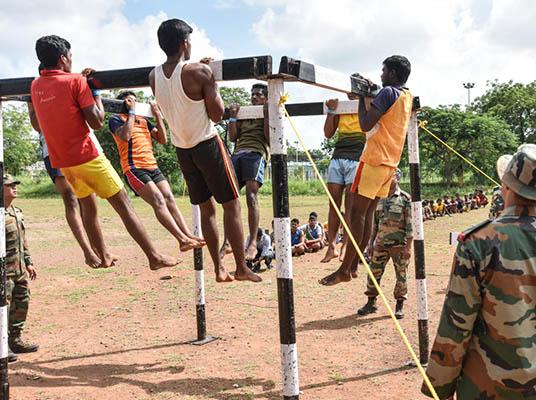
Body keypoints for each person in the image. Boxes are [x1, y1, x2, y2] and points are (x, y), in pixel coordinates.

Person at [30, 35, 177, 271]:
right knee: (124, 204)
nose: (71, 60)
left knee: (89, 206)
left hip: (64, 162)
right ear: (62, 58)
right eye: (70, 56)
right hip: (87, 156)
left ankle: (102, 255)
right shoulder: (76, 82)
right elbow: (97, 121)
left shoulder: (35, 86)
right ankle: (153, 256)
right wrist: (95, 90)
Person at [149, 19, 261, 283]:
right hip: (206, 144)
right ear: (184, 43)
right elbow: (218, 113)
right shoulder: (199, 72)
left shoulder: (153, 76)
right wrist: (211, 79)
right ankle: (241, 267)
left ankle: (218, 269)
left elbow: (177, 91)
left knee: (206, 209)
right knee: (232, 204)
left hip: (182, 149)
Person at [422, 144, 536, 399]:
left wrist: (440, 387)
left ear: (505, 186)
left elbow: (457, 322)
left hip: (488, 385)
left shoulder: (478, 242)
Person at [320, 55, 413, 286]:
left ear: (391, 74)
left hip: (373, 159)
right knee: (368, 213)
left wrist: (363, 99)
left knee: (356, 215)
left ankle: (344, 269)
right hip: (390, 163)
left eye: (383, 71)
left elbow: (365, 124)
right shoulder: (406, 95)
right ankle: (351, 267)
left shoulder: (388, 92)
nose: (381, 75)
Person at [108, 91, 204, 252]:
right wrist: (131, 112)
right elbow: (125, 136)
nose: (133, 103)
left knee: (169, 198)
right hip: (134, 168)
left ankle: (187, 235)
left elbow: (162, 139)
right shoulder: (116, 119)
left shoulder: (144, 121)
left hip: (152, 166)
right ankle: (181, 240)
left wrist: (158, 116)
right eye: (129, 101)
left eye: (134, 101)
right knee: (158, 201)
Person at [28, 102, 106, 269]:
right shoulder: (37, 90)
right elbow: (36, 125)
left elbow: (97, 119)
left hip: (81, 148)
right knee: (71, 199)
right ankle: (88, 252)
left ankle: (99, 250)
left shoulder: (75, 86)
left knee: (88, 201)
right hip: (54, 148)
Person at [220, 83, 270, 261]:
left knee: (251, 195)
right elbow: (233, 137)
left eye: (258, 94)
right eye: (253, 94)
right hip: (238, 153)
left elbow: (269, 138)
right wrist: (233, 117)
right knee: (228, 196)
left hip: (256, 153)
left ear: (265, 98)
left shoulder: (267, 111)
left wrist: (265, 115)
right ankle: (227, 242)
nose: (254, 97)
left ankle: (253, 244)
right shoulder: (244, 112)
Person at [357, 169, 412, 319]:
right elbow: (375, 223)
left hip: (399, 245)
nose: (388, 177)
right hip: (380, 244)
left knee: (401, 276)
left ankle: (399, 304)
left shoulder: (405, 199)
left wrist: (408, 247)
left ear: (398, 178)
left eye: (392, 175)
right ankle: (371, 303)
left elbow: (410, 225)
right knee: (373, 274)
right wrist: (370, 243)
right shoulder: (379, 198)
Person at [320, 87, 367, 263]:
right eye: (350, 90)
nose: (352, 93)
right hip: (337, 158)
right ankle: (331, 245)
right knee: (333, 204)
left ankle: (345, 244)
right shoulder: (341, 107)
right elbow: (328, 134)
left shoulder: (365, 107)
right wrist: (331, 111)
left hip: (356, 159)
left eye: (357, 90)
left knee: (350, 206)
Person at [3, 175, 40, 363]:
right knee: (4, 307)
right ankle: (2, 346)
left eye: (15, 185)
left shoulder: (17, 212)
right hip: (4, 272)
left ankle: (15, 340)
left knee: (22, 302)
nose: (15, 188)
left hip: (19, 269)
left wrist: (29, 262)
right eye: (10, 186)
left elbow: (22, 241)